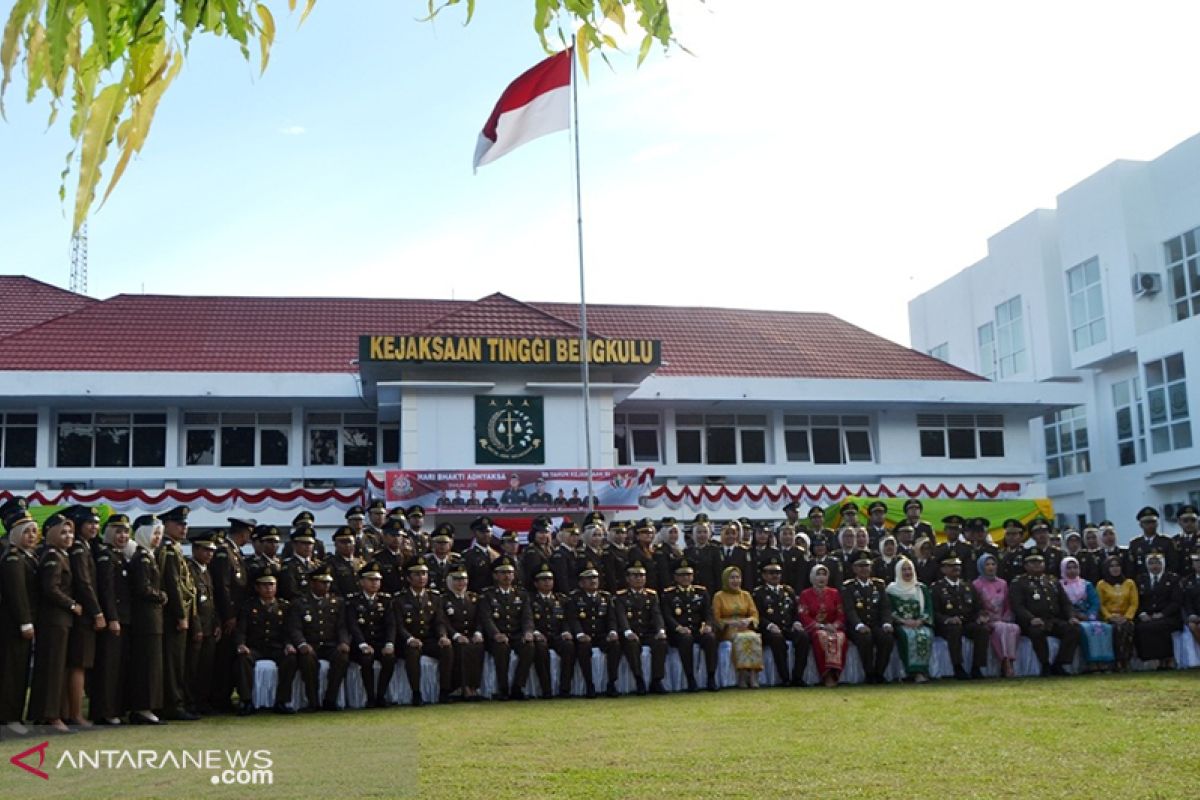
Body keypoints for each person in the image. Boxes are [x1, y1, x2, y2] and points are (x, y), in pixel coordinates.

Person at [28, 513, 81, 733]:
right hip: (54, 620)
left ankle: (46, 713)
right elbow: (50, 588)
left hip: (59, 621)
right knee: (52, 668)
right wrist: (71, 605)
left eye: (70, 532)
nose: (68, 536)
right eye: (63, 532)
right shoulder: (52, 556)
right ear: (50, 533)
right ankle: (51, 716)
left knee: (55, 667)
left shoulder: (61, 554)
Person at [234, 566, 298, 716]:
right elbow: (241, 629)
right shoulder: (249, 606)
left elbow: (289, 630)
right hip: (255, 647)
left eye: (271, 585)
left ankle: (282, 701)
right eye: (264, 585)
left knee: (291, 658)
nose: (268, 589)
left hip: (276, 647)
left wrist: (289, 644)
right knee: (242, 659)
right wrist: (241, 644)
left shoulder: (284, 606)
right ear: (257, 587)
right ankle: (246, 701)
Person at [63, 505, 105, 728]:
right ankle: (75, 714)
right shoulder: (79, 549)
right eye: (89, 523)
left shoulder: (85, 547)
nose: (94, 527)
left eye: (96, 523)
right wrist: (97, 612)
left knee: (78, 664)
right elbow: (84, 583)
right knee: (78, 664)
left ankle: (71, 712)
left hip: (82, 614)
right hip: (83, 616)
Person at [288, 563, 351, 711]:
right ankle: (313, 701)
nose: (327, 585)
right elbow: (295, 628)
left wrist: (343, 642)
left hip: (330, 645)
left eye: (328, 582)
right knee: (307, 658)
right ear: (313, 583)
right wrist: (302, 644)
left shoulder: (337, 602)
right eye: (323, 582)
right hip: (311, 644)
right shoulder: (299, 603)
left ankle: (331, 699)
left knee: (342, 656)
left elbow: (342, 627)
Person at [157, 505, 198, 721]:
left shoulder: (175, 548)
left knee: (179, 662)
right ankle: (173, 704)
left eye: (185, 524)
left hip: (180, 613)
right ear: (167, 525)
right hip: (172, 616)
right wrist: (181, 615)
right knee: (173, 663)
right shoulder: (168, 550)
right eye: (179, 524)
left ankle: (178, 701)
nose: (184, 528)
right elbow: (173, 585)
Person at [91, 514, 133, 725]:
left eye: (126, 531)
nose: (123, 536)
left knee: (119, 666)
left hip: (124, 618)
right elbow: (106, 590)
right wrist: (113, 618)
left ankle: (115, 708)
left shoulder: (120, 556)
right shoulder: (106, 556)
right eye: (118, 531)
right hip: (113, 619)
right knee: (108, 667)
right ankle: (105, 711)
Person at [0, 507, 39, 734]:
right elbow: (17, 594)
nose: (32, 536)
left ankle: (14, 715)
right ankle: (8, 717)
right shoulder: (13, 557)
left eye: (34, 531)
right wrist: (25, 622)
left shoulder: (26, 556)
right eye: (27, 532)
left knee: (20, 670)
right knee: (12, 672)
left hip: (23, 623)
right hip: (14, 624)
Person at [394, 559, 453, 706]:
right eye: (417, 574)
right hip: (408, 641)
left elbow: (439, 621)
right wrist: (409, 639)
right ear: (408, 578)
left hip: (428, 640)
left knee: (447, 648)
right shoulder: (399, 599)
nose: (422, 577)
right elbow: (399, 626)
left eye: (424, 574)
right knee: (413, 651)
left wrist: (442, 636)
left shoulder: (434, 597)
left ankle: (445, 691)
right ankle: (416, 693)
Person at [1009, 553, 1080, 676]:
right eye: (1033, 563)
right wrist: (1031, 619)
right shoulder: (1019, 582)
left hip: (1052, 619)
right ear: (1026, 566)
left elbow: (1065, 603)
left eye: (1040, 562)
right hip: (1032, 621)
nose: (1037, 565)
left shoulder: (1052, 580)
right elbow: (1018, 606)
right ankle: (1045, 664)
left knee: (1073, 629)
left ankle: (1060, 663)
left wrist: (1071, 617)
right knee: (1037, 632)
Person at [127, 514, 167, 724]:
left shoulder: (149, 555)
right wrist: (161, 596)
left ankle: (149, 706)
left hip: (152, 619)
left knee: (152, 664)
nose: (157, 538)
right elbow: (143, 588)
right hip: (146, 619)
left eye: (159, 534)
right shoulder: (142, 558)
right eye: (154, 533)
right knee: (147, 665)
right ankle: (143, 708)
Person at [210, 517, 252, 712]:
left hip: (236, 613)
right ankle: (219, 699)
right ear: (242, 533)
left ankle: (224, 697)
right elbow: (222, 587)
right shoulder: (224, 553)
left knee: (229, 657)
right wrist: (228, 616)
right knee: (223, 659)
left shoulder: (235, 552)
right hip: (228, 615)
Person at [480, 556, 534, 701]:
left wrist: (528, 632)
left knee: (529, 646)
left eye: (510, 572)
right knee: (501, 647)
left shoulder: (521, 594)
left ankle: (518, 686)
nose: (507, 576)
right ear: (495, 575)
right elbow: (486, 619)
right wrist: (496, 634)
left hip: (516, 635)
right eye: (503, 572)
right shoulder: (488, 594)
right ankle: (503, 688)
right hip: (497, 636)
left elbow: (527, 617)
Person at [345, 560, 397, 708]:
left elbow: (390, 624)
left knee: (389, 658)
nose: (375, 583)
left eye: (377, 580)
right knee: (366, 658)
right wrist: (362, 645)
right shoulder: (353, 601)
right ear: (362, 582)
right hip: (360, 644)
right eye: (371, 580)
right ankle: (370, 696)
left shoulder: (385, 600)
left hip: (380, 642)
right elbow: (353, 626)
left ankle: (381, 695)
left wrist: (389, 644)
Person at [568, 561, 622, 698]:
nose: (593, 581)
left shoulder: (605, 597)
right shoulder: (574, 598)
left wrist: (612, 632)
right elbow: (573, 619)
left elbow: (611, 619)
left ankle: (612, 683)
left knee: (615, 644)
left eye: (595, 578)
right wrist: (580, 634)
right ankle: (589, 684)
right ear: (581, 583)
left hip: (601, 635)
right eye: (589, 578)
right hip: (585, 635)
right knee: (583, 646)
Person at [614, 560, 669, 695]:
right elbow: (621, 617)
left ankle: (656, 680)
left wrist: (661, 630)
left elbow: (657, 615)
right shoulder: (620, 596)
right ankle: (639, 679)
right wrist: (627, 631)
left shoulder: (651, 595)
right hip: (631, 632)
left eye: (642, 575)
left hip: (647, 632)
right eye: (635, 576)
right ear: (627, 579)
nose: (639, 578)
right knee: (632, 644)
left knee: (661, 643)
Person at [664, 560, 719, 692]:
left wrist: (708, 625)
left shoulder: (701, 592)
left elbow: (708, 613)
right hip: (679, 632)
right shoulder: (669, 594)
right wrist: (678, 628)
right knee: (686, 639)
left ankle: (711, 678)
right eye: (682, 575)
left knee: (710, 638)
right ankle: (690, 678)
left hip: (698, 629)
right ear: (675, 577)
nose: (686, 578)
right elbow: (667, 616)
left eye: (689, 575)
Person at [752, 557, 809, 687]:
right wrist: (769, 625)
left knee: (803, 637)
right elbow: (757, 616)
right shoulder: (758, 593)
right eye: (771, 573)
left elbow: (796, 611)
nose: (775, 576)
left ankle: (798, 677)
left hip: (787, 627)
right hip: (769, 630)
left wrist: (796, 622)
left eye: (777, 573)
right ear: (764, 575)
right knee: (777, 639)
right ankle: (785, 678)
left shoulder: (788, 591)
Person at [931, 556, 987, 680]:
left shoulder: (967, 586)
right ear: (943, 569)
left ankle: (977, 667)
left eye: (958, 565)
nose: (956, 568)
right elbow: (934, 612)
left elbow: (978, 607)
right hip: (947, 625)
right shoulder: (937, 588)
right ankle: (957, 667)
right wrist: (947, 619)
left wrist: (980, 617)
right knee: (954, 629)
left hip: (966, 622)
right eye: (951, 566)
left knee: (982, 629)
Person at [842, 555, 894, 684]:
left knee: (887, 638)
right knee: (865, 638)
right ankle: (869, 673)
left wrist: (887, 623)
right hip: (857, 626)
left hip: (875, 624)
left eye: (866, 566)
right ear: (854, 569)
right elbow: (850, 610)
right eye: (860, 566)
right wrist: (859, 625)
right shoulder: (848, 587)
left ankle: (880, 673)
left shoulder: (879, 585)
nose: (864, 569)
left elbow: (885, 607)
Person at [184, 530, 220, 715]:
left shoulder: (206, 572)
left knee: (206, 668)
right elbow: (191, 602)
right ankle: (190, 702)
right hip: (196, 627)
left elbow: (211, 602)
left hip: (209, 626)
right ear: (195, 549)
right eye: (205, 550)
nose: (209, 554)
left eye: (212, 551)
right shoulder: (189, 569)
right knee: (192, 668)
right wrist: (196, 626)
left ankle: (202, 701)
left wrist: (217, 624)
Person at [528, 563, 576, 698]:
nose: (547, 582)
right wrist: (535, 633)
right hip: (539, 635)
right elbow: (528, 619)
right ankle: (546, 689)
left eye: (550, 579)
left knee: (569, 646)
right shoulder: (530, 599)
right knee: (540, 648)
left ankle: (565, 688)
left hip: (557, 635)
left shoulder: (561, 599)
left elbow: (567, 619)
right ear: (536, 583)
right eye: (543, 580)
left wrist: (566, 631)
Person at [1059, 556, 1113, 671]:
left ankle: (1104, 661)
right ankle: (1091, 662)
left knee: (1103, 628)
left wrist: (1089, 615)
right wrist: (1074, 616)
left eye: (1075, 567)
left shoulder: (1086, 584)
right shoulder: (1060, 585)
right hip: (1071, 618)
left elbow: (1095, 602)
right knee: (1085, 629)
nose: (1072, 570)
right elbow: (1061, 605)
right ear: (1063, 569)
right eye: (1069, 568)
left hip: (1088, 617)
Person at [712, 566, 762, 688]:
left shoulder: (745, 595)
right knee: (740, 639)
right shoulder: (719, 596)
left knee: (754, 638)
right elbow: (716, 618)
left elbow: (754, 614)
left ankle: (753, 674)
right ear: (725, 579)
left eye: (737, 577)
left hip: (745, 627)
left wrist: (748, 620)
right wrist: (730, 623)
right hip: (728, 629)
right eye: (732, 578)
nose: (735, 581)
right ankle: (742, 675)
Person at [797, 564, 846, 687]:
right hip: (816, 628)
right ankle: (826, 674)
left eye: (824, 574)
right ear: (812, 577)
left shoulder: (834, 593)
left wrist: (835, 625)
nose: (821, 578)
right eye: (818, 574)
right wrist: (821, 626)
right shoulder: (805, 594)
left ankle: (836, 673)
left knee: (840, 637)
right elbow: (803, 615)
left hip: (833, 627)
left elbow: (841, 613)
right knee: (822, 637)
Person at [972, 553, 1020, 678]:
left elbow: (1007, 605)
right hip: (987, 620)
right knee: (1001, 628)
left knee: (1013, 628)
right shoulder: (976, 584)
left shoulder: (1003, 583)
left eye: (993, 564)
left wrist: (1006, 617)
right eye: (987, 564)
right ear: (981, 566)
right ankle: (1005, 663)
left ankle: (1010, 660)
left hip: (1002, 619)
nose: (991, 567)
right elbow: (976, 606)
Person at [441, 565, 485, 701]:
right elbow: (443, 622)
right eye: (457, 579)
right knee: (461, 649)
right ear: (449, 581)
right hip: (454, 637)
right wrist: (456, 635)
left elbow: (479, 619)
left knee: (478, 647)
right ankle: (460, 687)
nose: (461, 582)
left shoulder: (473, 598)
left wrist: (478, 633)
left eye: (464, 579)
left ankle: (473, 687)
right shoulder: (443, 599)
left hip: (471, 636)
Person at [886, 557, 933, 683]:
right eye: (904, 570)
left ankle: (922, 671)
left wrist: (920, 621)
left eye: (909, 569)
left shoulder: (921, 588)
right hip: (901, 624)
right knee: (908, 635)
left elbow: (928, 609)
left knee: (925, 634)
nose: (907, 573)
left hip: (919, 623)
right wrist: (903, 621)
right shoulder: (891, 589)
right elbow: (889, 610)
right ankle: (911, 672)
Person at [1134, 552, 1181, 668]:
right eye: (1151, 563)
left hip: (1168, 615)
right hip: (1147, 615)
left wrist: (1162, 614)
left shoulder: (1173, 579)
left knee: (1160, 625)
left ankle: (1166, 659)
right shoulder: (1140, 579)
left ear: (1163, 564)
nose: (1154, 566)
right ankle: (1149, 660)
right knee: (1141, 627)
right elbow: (1136, 600)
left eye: (1157, 563)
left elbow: (1176, 601)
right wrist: (1142, 613)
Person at [1096, 555, 1138, 671]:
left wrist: (1127, 617)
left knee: (1126, 628)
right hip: (1109, 617)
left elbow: (1133, 603)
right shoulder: (1102, 584)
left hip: (1126, 617)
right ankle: (1115, 661)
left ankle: (1125, 660)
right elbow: (1100, 604)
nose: (1115, 569)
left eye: (1117, 566)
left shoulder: (1129, 583)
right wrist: (1110, 616)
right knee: (1115, 629)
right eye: (1112, 566)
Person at [1127, 506, 1177, 575]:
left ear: (1157, 524)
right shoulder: (1135, 543)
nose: (1150, 525)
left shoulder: (1166, 541)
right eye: (1147, 523)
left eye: (1153, 522)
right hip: (1142, 582)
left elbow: (1173, 565)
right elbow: (1132, 567)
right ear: (1141, 525)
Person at [1182, 553, 1200, 648]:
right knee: (1192, 626)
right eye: (1196, 561)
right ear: (1192, 564)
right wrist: (1191, 615)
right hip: (1194, 616)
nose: (1199, 564)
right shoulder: (1187, 581)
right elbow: (1186, 602)